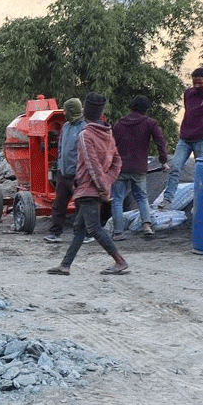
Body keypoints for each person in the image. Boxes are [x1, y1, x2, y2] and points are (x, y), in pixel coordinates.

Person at [48, 93, 129, 276]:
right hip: (94, 187)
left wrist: (102, 187)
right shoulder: (107, 132)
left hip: (87, 188)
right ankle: (65, 265)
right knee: (79, 228)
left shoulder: (85, 135)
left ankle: (120, 261)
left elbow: (92, 165)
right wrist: (108, 180)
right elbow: (117, 161)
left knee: (94, 228)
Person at [159, 67, 203, 207]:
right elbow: (188, 111)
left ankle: (201, 201)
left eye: (200, 83)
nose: (197, 86)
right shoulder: (188, 93)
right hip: (185, 138)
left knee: (201, 171)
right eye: (195, 83)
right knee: (175, 168)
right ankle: (167, 199)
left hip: (201, 139)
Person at [110, 95, 168, 240]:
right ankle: (146, 226)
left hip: (120, 168)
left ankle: (118, 232)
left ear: (131, 107)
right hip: (139, 167)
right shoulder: (150, 123)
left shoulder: (119, 124)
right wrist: (163, 161)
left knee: (117, 199)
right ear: (146, 109)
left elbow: (110, 146)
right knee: (142, 197)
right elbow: (160, 142)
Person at [45, 98, 85, 243]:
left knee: (81, 205)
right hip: (63, 173)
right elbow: (61, 146)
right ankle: (55, 233)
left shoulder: (84, 127)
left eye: (66, 110)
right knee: (59, 205)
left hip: (77, 175)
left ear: (72, 110)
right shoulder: (66, 126)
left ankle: (84, 234)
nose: (64, 113)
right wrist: (60, 164)